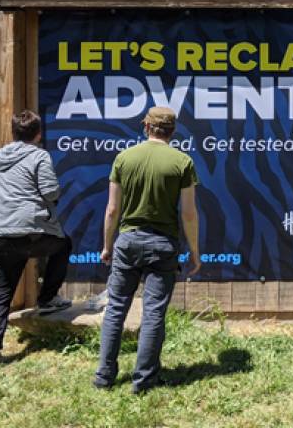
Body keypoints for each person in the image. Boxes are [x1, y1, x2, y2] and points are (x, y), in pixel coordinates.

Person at [94, 106, 201, 394]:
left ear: (146, 127)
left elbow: (112, 209)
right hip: (163, 245)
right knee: (154, 313)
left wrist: (107, 246)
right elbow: (189, 214)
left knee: (115, 309)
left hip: (127, 242)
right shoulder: (182, 162)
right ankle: (143, 382)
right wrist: (195, 251)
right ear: (172, 131)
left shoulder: (124, 158)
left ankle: (104, 377)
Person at [0, 110, 72, 369]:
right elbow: (51, 191)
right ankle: (48, 299)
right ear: (38, 133)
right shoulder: (39, 155)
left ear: (13, 132)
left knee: (1, 294)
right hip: (31, 232)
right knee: (63, 245)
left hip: (0, 234)